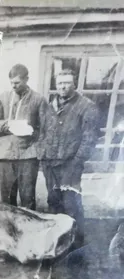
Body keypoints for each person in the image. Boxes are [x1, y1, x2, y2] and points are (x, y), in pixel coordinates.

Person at [37, 69, 100, 248]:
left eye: (67, 83)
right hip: (50, 163)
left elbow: (90, 138)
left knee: (71, 204)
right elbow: (43, 131)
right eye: (60, 84)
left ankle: (76, 244)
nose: (63, 87)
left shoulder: (86, 106)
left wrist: (77, 161)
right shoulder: (51, 106)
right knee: (53, 202)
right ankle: (57, 242)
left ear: (74, 84)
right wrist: (43, 154)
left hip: (70, 164)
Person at [0, 64, 47, 210]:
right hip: (6, 156)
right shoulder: (2, 98)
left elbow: (46, 128)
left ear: (26, 79)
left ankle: (30, 231)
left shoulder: (38, 100)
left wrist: (31, 132)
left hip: (28, 156)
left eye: (17, 83)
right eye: (11, 83)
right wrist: (9, 125)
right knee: (7, 201)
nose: (14, 86)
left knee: (28, 199)